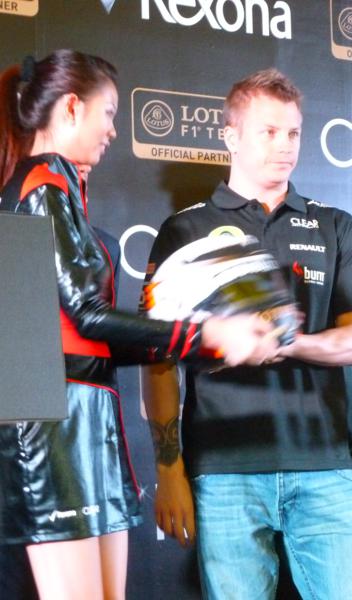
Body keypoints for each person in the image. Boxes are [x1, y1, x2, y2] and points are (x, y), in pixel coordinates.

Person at [0, 51, 279, 600]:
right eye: (108, 113)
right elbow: (84, 321)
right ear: (72, 108)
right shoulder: (40, 188)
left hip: (83, 424)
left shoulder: (53, 190)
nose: (113, 130)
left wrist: (197, 338)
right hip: (54, 436)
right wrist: (206, 333)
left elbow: (80, 341)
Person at [142, 68, 352, 599]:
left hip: (323, 463)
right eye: (269, 132)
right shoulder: (185, 230)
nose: (285, 146)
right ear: (231, 137)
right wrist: (169, 471)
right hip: (223, 469)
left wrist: (284, 340)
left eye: (293, 132)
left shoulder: (334, 224)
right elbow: (158, 362)